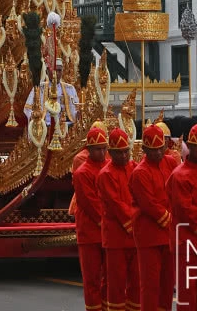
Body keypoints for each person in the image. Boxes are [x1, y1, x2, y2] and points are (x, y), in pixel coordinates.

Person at [166, 122, 197, 311]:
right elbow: (185, 209)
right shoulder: (179, 175)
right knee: (187, 291)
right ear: (190, 147)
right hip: (186, 241)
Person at [128, 124, 174, 311]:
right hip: (149, 234)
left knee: (167, 284)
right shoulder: (140, 172)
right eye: (153, 150)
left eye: (160, 149)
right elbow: (149, 204)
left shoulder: (170, 162)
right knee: (150, 284)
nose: (158, 154)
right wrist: (171, 219)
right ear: (145, 149)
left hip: (168, 233)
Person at [97, 127, 139, 311]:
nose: (124, 156)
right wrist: (136, 224)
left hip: (135, 236)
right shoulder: (105, 175)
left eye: (126, 152)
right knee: (116, 282)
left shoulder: (135, 168)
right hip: (116, 237)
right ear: (111, 153)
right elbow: (116, 205)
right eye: (119, 153)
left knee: (137, 282)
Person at [73, 126, 108, 311]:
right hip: (90, 232)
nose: (102, 153)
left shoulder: (109, 166)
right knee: (92, 278)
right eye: (98, 149)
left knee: (110, 277)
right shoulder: (82, 172)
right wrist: (107, 222)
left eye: (104, 148)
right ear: (89, 149)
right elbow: (90, 203)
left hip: (108, 231)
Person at [23, 59, 79, 126]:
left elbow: (75, 110)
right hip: (44, 126)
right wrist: (36, 119)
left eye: (59, 70)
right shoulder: (39, 87)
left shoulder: (69, 88)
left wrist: (77, 114)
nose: (56, 73)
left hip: (65, 126)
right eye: (54, 70)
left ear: (62, 71)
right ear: (47, 70)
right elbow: (27, 108)